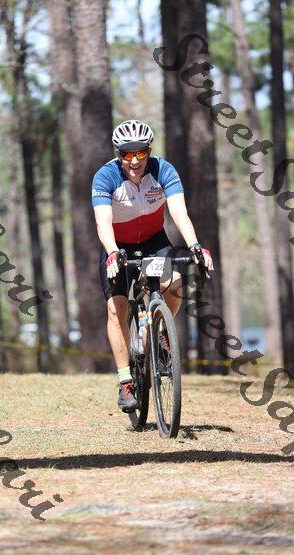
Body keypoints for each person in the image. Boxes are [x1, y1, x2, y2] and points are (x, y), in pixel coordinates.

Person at [92, 120, 213, 412]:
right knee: (117, 307)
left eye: (141, 153)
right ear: (118, 153)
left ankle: (159, 332)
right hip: (118, 245)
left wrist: (195, 246)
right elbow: (103, 222)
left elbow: (179, 213)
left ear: (149, 151)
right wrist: (112, 252)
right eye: (127, 154)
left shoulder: (164, 170)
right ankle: (125, 380)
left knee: (175, 283)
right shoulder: (105, 176)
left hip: (153, 241)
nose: (134, 161)